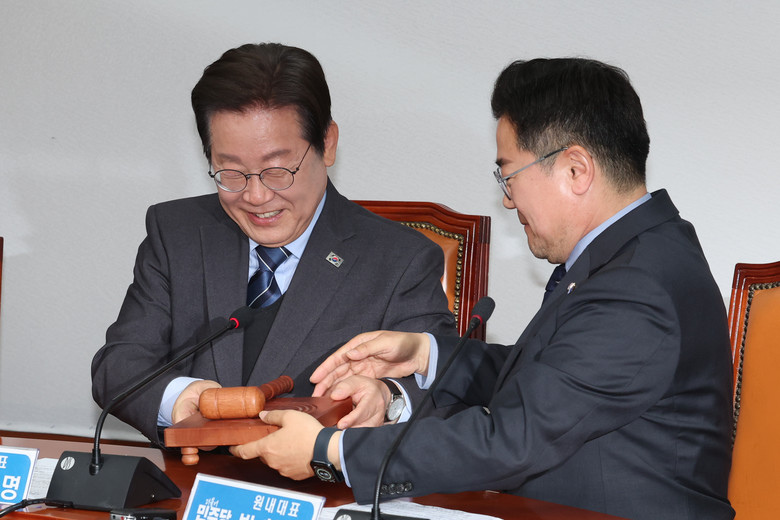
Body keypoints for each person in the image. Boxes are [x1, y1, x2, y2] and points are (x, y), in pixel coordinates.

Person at [232, 58, 735, 520]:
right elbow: (552, 379)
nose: (508, 200)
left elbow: (514, 438)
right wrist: (424, 354)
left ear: (576, 170)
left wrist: (329, 450)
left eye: (508, 174)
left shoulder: (637, 285)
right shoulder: (638, 253)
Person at [91, 43, 455, 444]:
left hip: (320, 481)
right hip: (191, 479)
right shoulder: (178, 233)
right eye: (231, 172)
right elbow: (118, 365)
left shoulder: (399, 259)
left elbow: (444, 389)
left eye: (277, 170)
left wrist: (388, 398)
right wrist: (180, 397)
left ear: (328, 144)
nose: (256, 196)